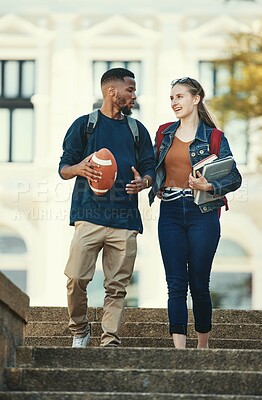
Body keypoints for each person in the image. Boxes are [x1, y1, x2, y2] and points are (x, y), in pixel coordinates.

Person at [59, 68, 155, 348]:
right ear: (112, 91)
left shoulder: (137, 130)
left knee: (117, 287)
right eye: (130, 90)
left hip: (125, 219)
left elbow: (149, 168)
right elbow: (64, 168)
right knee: (76, 277)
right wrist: (80, 168)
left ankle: (109, 339)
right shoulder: (84, 125)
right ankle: (79, 329)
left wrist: (144, 181)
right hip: (88, 216)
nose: (134, 96)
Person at [149, 77, 242, 349]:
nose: (174, 102)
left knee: (199, 282)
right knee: (175, 283)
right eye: (171, 98)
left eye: (179, 96)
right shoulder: (164, 133)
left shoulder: (214, 137)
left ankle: (203, 347)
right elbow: (153, 167)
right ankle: (179, 351)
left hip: (202, 212)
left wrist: (210, 184)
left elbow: (234, 177)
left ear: (196, 98)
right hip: (170, 212)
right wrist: (152, 183)